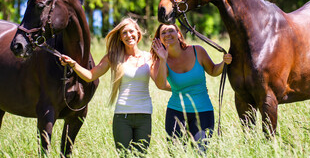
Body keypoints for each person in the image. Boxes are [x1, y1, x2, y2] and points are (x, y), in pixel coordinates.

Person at [60, 17, 153, 156]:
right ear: (120, 38)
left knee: (141, 155)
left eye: (131, 31)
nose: (129, 35)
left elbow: (161, 80)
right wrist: (74, 64)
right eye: (124, 33)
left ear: (138, 33)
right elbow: (91, 76)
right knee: (124, 155)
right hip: (123, 117)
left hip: (145, 115)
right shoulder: (113, 57)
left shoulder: (149, 57)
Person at [150, 23, 232, 152]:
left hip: (203, 112)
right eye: (163, 33)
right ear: (159, 39)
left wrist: (224, 63)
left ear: (178, 33)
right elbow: (160, 84)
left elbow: (213, 70)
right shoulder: (160, 61)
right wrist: (163, 59)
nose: (167, 34)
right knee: (176, 153)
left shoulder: (197, 51)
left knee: (200, 152)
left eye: (170, 30)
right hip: (176, 113)